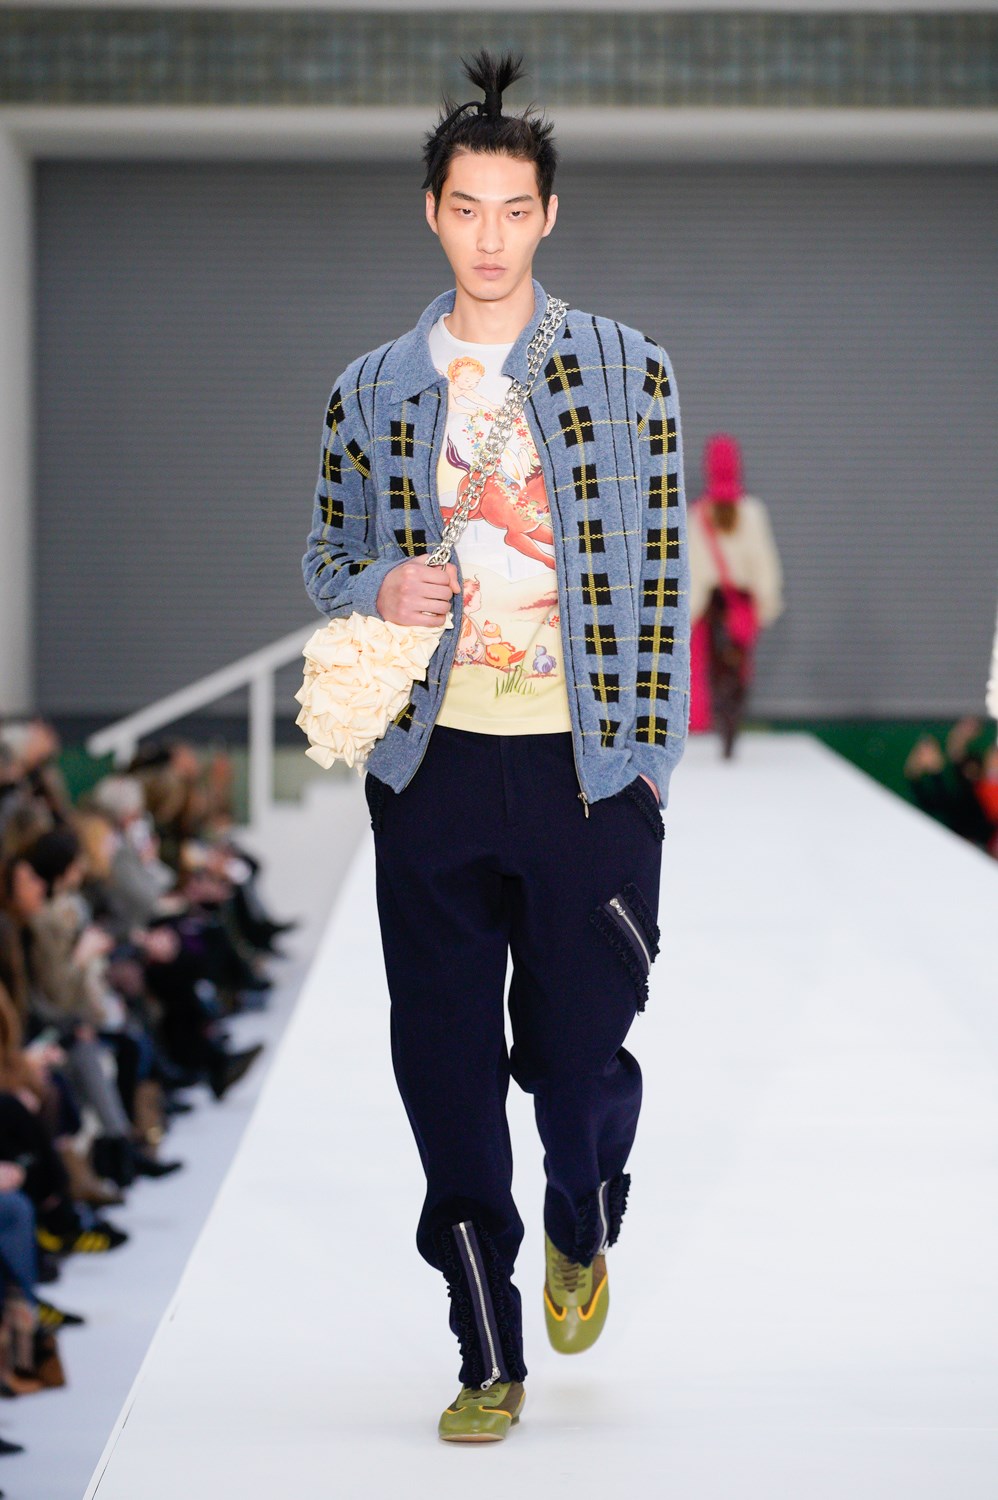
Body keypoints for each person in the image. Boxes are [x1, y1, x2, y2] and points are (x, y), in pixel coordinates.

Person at [302, 48, 690, 1442]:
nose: (488, 236)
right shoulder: (368, 391)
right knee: (447, 1066)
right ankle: (485, 1349)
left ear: (547, 216)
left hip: (588, 770)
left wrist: (648, 765)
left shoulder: (627, 371)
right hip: (435, 768)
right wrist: (375, 585)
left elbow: (662, 577)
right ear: (432, 212)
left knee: (579, 1054)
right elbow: (325, 553)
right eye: (464, 208)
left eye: (512, 210)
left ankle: (582, 1206)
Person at [688, 433, 784, 756]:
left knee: (711, 673)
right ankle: (730, 726)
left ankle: (716, 726)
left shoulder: (699, 515)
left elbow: (694, 571)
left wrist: (690, 613)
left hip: (712, 608)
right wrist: (764, 604)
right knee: (736, 672)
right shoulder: (752, 512)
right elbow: (763, 564)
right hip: (740, 606)